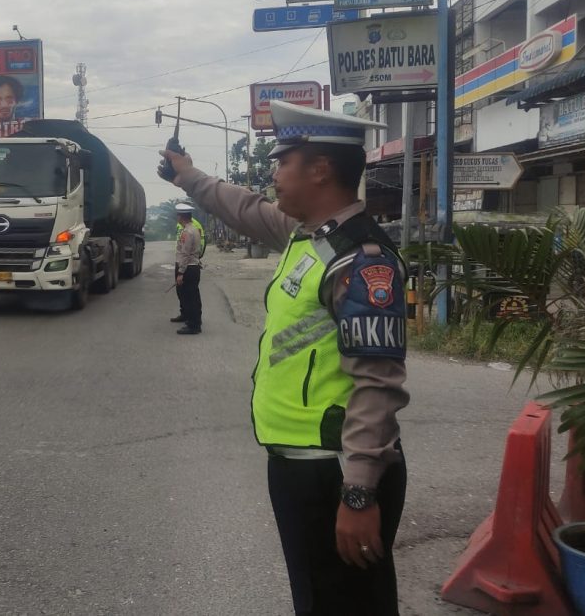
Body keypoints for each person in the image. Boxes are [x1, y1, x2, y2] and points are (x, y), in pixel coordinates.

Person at [159, 101, 410, 616]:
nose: (272, 173)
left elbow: (377, 386)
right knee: (319, 598)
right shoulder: (307, 236)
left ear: (319, 169)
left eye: (282, 161)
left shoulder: (360, 261)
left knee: (346, 604)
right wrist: (189, 177)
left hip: (334, 470)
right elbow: (243, 207)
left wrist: (359, 492)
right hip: (299, 465)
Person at [171, 206, 207, 324]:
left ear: (181, 217)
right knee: (191, 295)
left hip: (188, 267)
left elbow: (185, 253)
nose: (177, 217)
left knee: (190, 297)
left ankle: (194, 324)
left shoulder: (187, 232)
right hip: (193, 265)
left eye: (178, 215)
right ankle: (189, 318)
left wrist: (181, 272)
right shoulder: (195, 229)